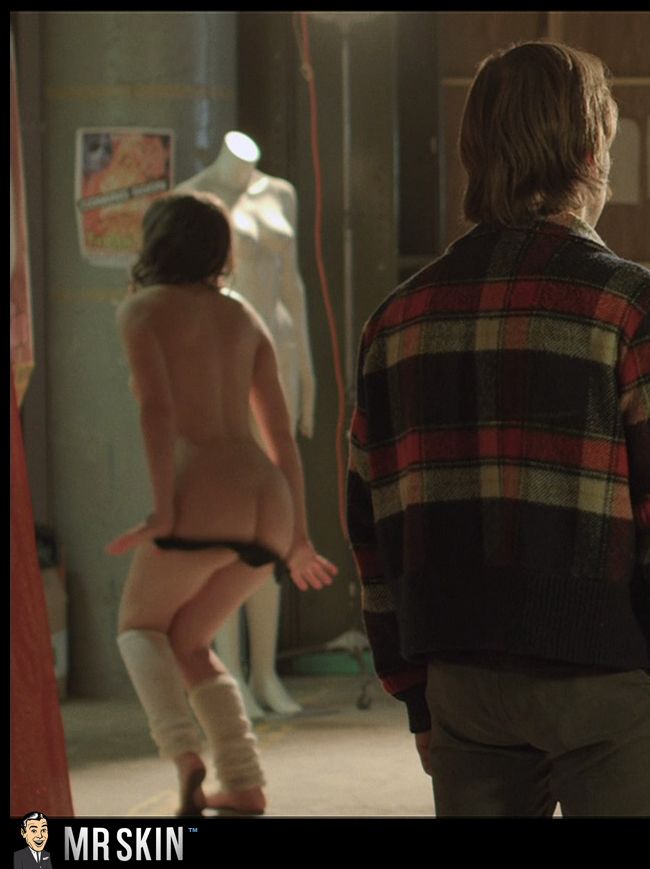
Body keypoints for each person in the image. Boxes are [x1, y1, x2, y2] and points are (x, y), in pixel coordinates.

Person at [345, 40, 650, 817]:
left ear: (474, 151)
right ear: (592, 153)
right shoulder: (637, 306)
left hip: (460, 675)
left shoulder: (397, 318)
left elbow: (372, 521)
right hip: (601, 675)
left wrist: (412, 687)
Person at [106, 192, 338, 818]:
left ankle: (183, 755)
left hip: (205, 496)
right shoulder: (243, 316)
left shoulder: (142, 310)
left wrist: (162, 511)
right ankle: (243, 782)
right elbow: (281, 434)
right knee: (188, 639)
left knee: (138, 629)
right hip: (268, 503)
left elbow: (157, 412)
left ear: (156, 243)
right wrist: (299, 537)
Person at [176, 129, 317, 719]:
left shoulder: (280, 193)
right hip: (221, 357)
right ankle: (228, 668)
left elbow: (293, 284)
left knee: (273, 511)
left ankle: (265, 669)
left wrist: (307, 368)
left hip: (278, 352)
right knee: (230, 515)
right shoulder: (190, 198)